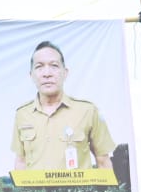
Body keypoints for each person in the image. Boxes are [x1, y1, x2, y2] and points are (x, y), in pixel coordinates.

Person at [11, 41, 115, 172]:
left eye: (54, 66)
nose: (47, 73)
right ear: (31, 75)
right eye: (39, 67)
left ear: (65, 73)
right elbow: (21, 161)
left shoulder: (88, 111)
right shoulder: (22, 114)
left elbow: (103, 161)